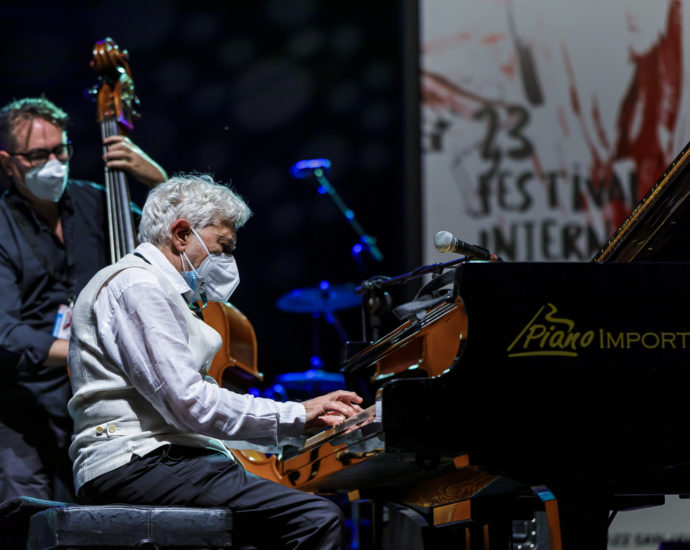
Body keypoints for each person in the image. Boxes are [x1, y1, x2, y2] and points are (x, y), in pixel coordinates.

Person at [67, 173, 362, 549]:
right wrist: (297, 415)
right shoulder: (138, 286)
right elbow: (188, 403)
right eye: (222, 247)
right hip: (137, 462)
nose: (228, 260)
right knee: (315, 518)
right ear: (181, 234)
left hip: (163, 460)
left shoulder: (164, 291)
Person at [0, 96, 167, 502]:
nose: (54, 162)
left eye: (61, 150)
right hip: (25, 405)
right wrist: (87, 347)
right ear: (8, 162)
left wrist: (158, 182)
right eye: (38, 155)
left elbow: (173, 249)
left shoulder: (97, 201)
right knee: (29, 515)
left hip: (104, 401)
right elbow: (6, 334)